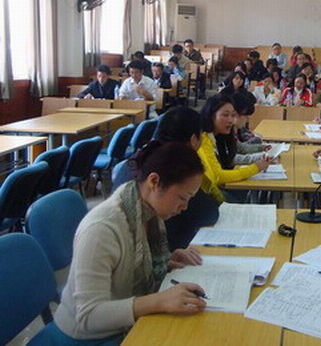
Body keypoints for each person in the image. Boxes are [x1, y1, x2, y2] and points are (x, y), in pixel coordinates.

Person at [51, 142, 206, 344]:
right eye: (182, 197)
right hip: (88, 336)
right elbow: (88, 316)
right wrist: (158, 301)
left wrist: (164, 261)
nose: (185, 207)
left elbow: (129, 261)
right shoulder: (102, 229)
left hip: (122, 324)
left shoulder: (146, 209)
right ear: (154, 181)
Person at [112, 107, 220, 250]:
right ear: (194, 139)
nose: (184, 205)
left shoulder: (142, 155)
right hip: (153, 245)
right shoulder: (175, 164)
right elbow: (208, 212)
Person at [198, 94, 270, 203]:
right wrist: (255, 168)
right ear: (211, 115)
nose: (231, 120)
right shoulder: (203, 138)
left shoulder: (219, 137)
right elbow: (218, 176)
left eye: (233, 115)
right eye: (225, 115)